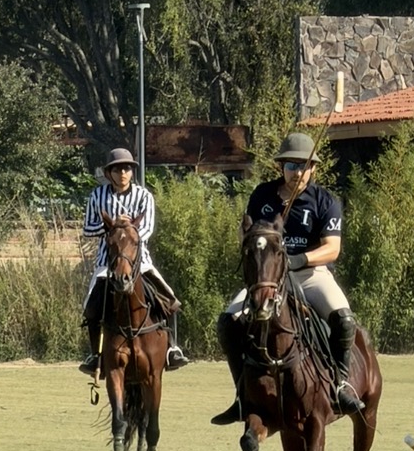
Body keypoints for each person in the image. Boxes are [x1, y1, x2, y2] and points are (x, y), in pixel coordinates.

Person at [211, 132, 364, 424]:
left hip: (309, 274)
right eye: (291, 165)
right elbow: (247, 234)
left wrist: (299, 259)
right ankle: (242, 394)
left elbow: (333, 248)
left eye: (303, 165)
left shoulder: (325, 201)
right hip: (268, 278)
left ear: (313, 168)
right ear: (281, 167)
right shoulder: (262, 195)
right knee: (228, 321)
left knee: (344, 318)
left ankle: (341, 385)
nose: (297, 172)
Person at [78, 147, 187, 376]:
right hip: (106, 262)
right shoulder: (97, 196)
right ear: (109, 173)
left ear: (132, 171)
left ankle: (172, 348)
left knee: (168, 298)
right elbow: (88, 228)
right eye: (117, 169)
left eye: (126, 168)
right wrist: (114, 226)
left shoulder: (144, 195)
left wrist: (128, 229)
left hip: (140, 261)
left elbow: (147, 228)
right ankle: (94, 355)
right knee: (91, 306)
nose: (122, 173)